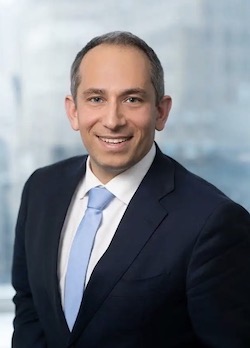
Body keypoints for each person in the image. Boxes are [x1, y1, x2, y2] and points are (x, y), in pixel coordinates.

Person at [12, 31, 250, 348]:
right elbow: (30, 308)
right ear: (73, 110)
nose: (112, 120)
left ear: (161, 111)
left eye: (132, 99)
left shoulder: (213, 222)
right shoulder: (41, 189)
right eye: (96, 99)